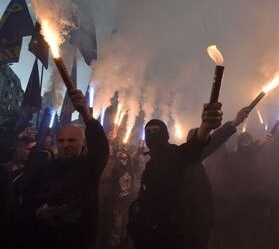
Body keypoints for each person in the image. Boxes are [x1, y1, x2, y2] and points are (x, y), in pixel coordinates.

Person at [19, 89, 109, 249]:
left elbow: (101, 147)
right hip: (45, 240)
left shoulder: (89, 167)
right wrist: (37, 213)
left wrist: (86, 115)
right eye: (61, 141)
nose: (65, 145)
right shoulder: (45, 168)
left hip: (77, 242)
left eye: (72, 140)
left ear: (83, 143)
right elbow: (28, 202)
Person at [128, 102, 223, 249]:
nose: (152, 134)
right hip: (150, 235)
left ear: (164, 134)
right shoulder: (150, 164)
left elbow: (192, 149)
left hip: (169, 236)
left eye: (156, 130)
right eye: (148, 131)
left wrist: (205, 127)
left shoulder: (173, 154)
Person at [173, 107, 250, 249]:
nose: (205, 143)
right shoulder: (182, 161)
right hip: (187, 225)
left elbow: (213, 143)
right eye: (201, 139)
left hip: (200, 222)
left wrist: (234, 123)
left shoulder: (198, 163)